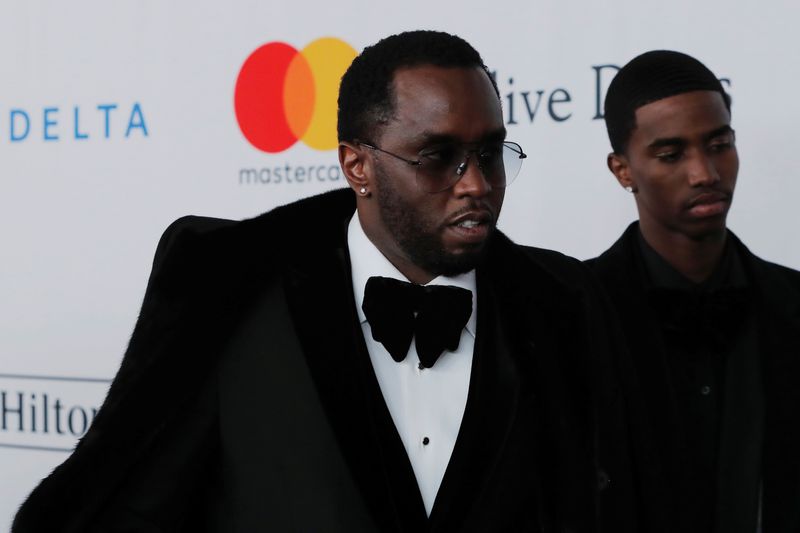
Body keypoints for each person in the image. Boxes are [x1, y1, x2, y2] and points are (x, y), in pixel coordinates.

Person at [14, 31, 635, 532]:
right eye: (438, 157)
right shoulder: (231, 289)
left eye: (491, 153)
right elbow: (132, 503)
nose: (476, 184)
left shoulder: (561, 303)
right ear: (357, 165)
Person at [587, 50, 800, 532]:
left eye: (719, 144)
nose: (705, 173)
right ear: (622, 170)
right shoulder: (570, 312)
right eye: (671, 154)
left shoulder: (791, 304)